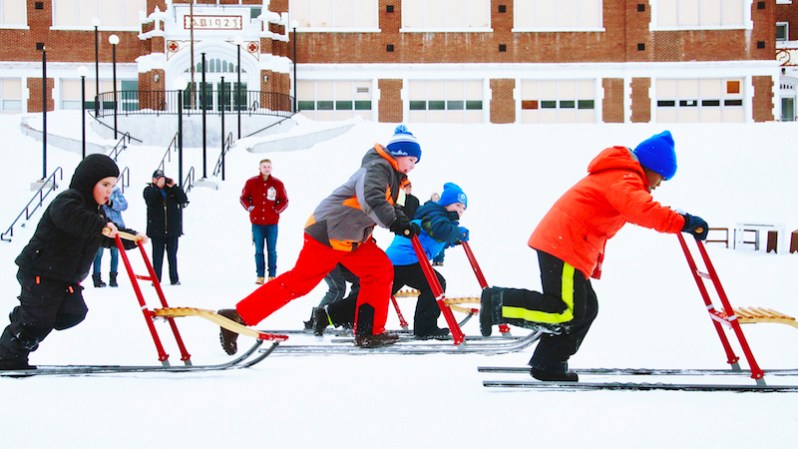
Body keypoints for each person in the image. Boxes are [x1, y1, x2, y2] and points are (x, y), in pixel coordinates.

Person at [479, 131, 709, 382]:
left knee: (586, 308)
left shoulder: (621, 176)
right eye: (661, 177)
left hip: (567, 244)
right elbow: (643, 211)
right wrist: (684, 222)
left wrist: (678, 220)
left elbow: (636, 209)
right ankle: (498, 303)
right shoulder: (624, 178)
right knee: (567, 312)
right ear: (650, 166)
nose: (658, 184)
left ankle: (550, 362)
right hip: (564, 244)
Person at [218, 124, 422, 352]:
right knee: (299, 283)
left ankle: (369, 331)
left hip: (352, 239)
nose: (413, 166)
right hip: (328, 232)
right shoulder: (377, 168)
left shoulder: (393, 177)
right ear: (399, 154)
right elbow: (372, 200)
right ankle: (236, 317)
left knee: (380, 270)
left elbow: (389, 206)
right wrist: (395, 223)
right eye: (412, 160)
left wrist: (402, 220)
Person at [0, 154, 145, 370]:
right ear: (89, 182)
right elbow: (72, 218)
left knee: (74, 312)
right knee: (38, 322)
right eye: (105, 184)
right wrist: (100, 225)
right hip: (41, 271)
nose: (109, 191)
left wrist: (130, 238)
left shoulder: (95, 214)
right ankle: (7, 357)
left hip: (63, 277)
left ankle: (25, 317)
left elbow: (104, 234)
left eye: (113, 186)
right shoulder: (68, 201)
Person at [315, 182, 470, 339]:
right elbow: (438, 229)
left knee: (377, 294)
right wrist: (458, 232)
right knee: (436, 284)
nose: (460, 211)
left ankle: (328, 314)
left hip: (399, 260)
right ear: (446, 203)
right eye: (457, 205)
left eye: (463, 208)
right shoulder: (437, 215)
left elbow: (434, 236)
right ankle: (426, 328)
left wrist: (451, 241)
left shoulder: (438, 216)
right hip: (407, 259)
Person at [240, 158, 289, 284]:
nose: (266, 169)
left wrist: (276, 210)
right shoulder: (251, 182)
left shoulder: (277, 184)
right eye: (264, 166)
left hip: (272, 223)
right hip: (257, 223)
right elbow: (243, 198)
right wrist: (251, 208)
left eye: (268, 166)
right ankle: (260, 275)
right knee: (258, 250)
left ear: (271, 168)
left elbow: (284, 200)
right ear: (259, 168)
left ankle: (272, 274)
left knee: (272, 250)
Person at [143, 169, 188, 286]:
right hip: (156, 230)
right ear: (153, 180)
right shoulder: (149, 190)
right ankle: (156, 279)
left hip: (172, 230)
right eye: (158, 178)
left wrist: (174, 186)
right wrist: (157, 187)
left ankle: (174, 278)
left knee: (172, 256)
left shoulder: (171, 191)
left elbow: (183, 199)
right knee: (157, 256)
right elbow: (150, 200)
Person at [303, 263, 360, 331]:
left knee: (362, 282)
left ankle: (349, 318)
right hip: (328, 258)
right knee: (337, 289)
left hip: (342, 260)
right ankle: (317, 320)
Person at [92, 185, 128, 288]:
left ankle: (113, 278)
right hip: (103, 225)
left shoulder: (116, 191)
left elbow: (124, 205)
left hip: (117, 225)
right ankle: (97, 278)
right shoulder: (98, 191)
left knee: (115, 253)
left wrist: (111, 203)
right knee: (98, 254)